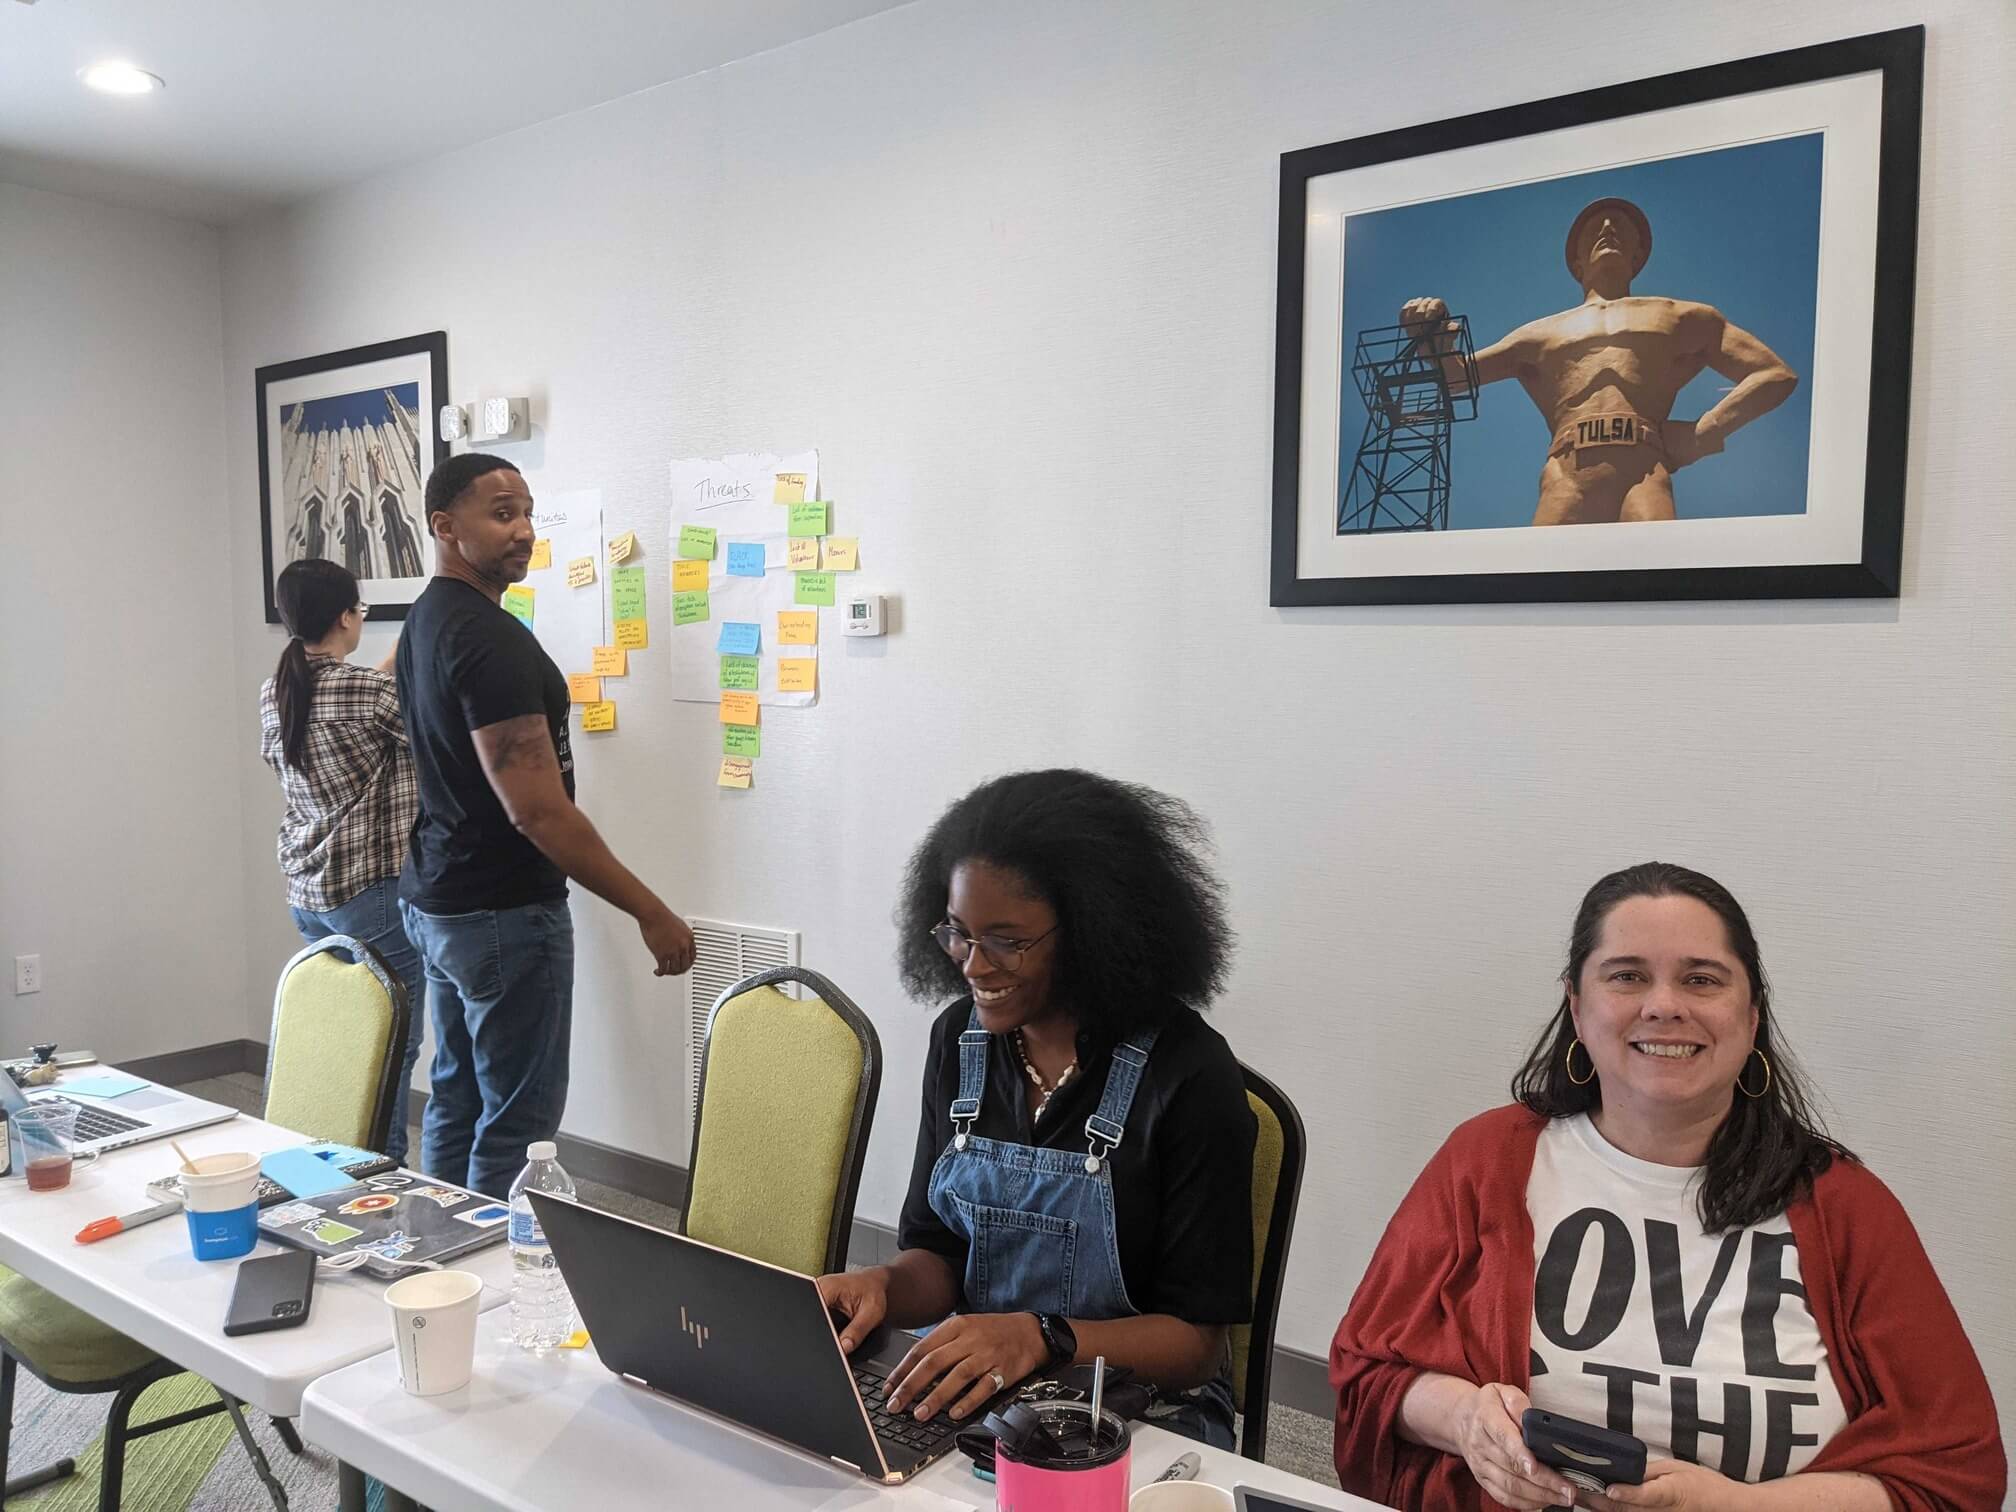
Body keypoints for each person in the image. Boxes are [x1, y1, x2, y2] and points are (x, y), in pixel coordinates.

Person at [1329, 863, 2004, 1510]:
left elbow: (1957, 1471)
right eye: (1627, 977)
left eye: (1702, 980)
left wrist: (1739, 1509)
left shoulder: (1847, 1207)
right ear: (1576, 1003)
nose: (1663, 1006)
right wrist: (1466, 1419)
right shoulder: (1486, 1159)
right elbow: (1368, 1375)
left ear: (1753, 1014)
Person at [817, 769, 1256, 1448]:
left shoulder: (1189, 1075)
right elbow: (937, 1257)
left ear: (1091, 931)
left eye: (1006, 941)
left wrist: (1043, 1338)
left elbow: (1196, 1345)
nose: (971, 965)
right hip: (987, 1388)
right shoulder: (958, 1042)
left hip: (1143, 1404)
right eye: (958, 932)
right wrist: (881, 1283)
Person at [396, 453, 696, 1197]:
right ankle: (499, 1288)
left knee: (457, 1098)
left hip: (441, 900)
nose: (524, 530)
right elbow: (535, 809)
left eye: (528, 513)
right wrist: (648, 911)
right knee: (517, 1124)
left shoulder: (427, 620)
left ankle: (445, 1253)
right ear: (444, 525)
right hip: (500, 911)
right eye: (502, 514)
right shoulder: (488, 641)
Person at [1400, 198, 1799, 525]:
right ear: (1576, 263)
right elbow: (1453, 378)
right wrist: (1428, 335)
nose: (1608, 229)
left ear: (1638, 255)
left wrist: (1705, 430)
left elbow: (1774, 374)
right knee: (1545, 598)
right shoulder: (1538, 334)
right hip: (1566, 476)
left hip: (1644, 471)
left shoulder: (1679, 316)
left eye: (1620, 228)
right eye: (1596, 230)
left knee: (1655, 591)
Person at [259, 558, 425, 1163]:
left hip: (309, 894)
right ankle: (378, 1178)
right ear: (347, 616)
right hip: (372, 894)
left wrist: (391, 666)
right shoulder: (368, 694)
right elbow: (427, 740)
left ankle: (326, 1164)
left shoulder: (276, 691)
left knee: (340, 1041)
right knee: (391, 1045)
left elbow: (353, 703)